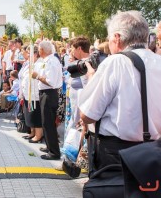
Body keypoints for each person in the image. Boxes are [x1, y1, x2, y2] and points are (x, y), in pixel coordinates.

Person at [79, 11, 161, 171]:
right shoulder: (158, 61)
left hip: (116, 153)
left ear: (117, 38)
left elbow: (87, 115)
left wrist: (90, 77)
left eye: (109, 39)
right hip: (154, 151)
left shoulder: (115, 62)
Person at [31, 41, 63, 160]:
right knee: (46, 122)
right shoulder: (47, 60)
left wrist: (37, 76)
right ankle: (50, 146)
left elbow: (51, 81)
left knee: (48, 123)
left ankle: (54, 152)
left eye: (39, 49)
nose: (38, 51)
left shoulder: (52, 61)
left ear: (43, 50)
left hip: (49, 93)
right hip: (45, 93)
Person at [19, 46, 43, 142]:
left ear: (35, 54)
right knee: (29, 114)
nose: (27, 55)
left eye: (29, 53)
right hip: (27, 93)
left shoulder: (39, 64)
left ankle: (38, 135)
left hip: (34, 94)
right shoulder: (28, 63)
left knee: (35, 115)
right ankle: (32, 132)